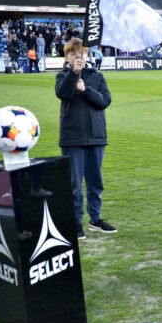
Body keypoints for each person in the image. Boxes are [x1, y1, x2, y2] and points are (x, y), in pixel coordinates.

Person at [55, 38, 114, 239]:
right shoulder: (62, 76)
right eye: (73, 54)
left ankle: (95, 220)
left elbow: (105, 101)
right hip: (72, 138)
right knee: (74, 185)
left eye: (81, 53)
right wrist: (74, 74)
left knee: (95, 183)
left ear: (88, 56)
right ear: (67, 57)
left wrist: (86, 89)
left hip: (97, 137)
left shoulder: (97, 76)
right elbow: (63, 94)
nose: (78, 56)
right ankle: (76, 223)